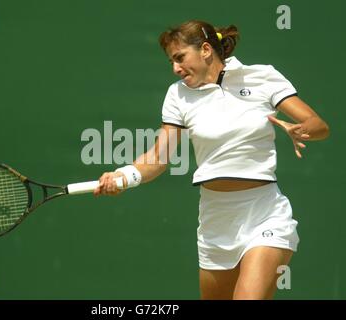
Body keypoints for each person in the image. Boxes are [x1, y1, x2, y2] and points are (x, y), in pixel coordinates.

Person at [93, 20, 330, 300]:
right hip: (215, 221)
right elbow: (158, 157)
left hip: (265, 215)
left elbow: (319, 125)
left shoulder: (262, 77)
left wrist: (301, 129)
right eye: (171, 61)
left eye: (180, 58)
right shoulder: (177, 95)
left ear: (205, 50)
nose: (175, 68)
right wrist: (124, 176)